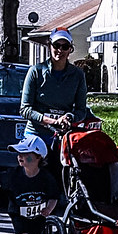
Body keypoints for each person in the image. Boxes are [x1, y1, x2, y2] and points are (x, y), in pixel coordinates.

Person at [20, 27, 89, 177]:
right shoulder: (36, 71)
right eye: (56, 45)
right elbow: (25, 109)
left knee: (60, 177)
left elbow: (81, 110)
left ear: (70, 49)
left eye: (65, 46)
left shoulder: (77, 75)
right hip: (36, 134)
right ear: (49, 45)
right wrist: (50, 121)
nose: (60, 50)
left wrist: (69, 118)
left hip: (62, 137)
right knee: (32, 178)